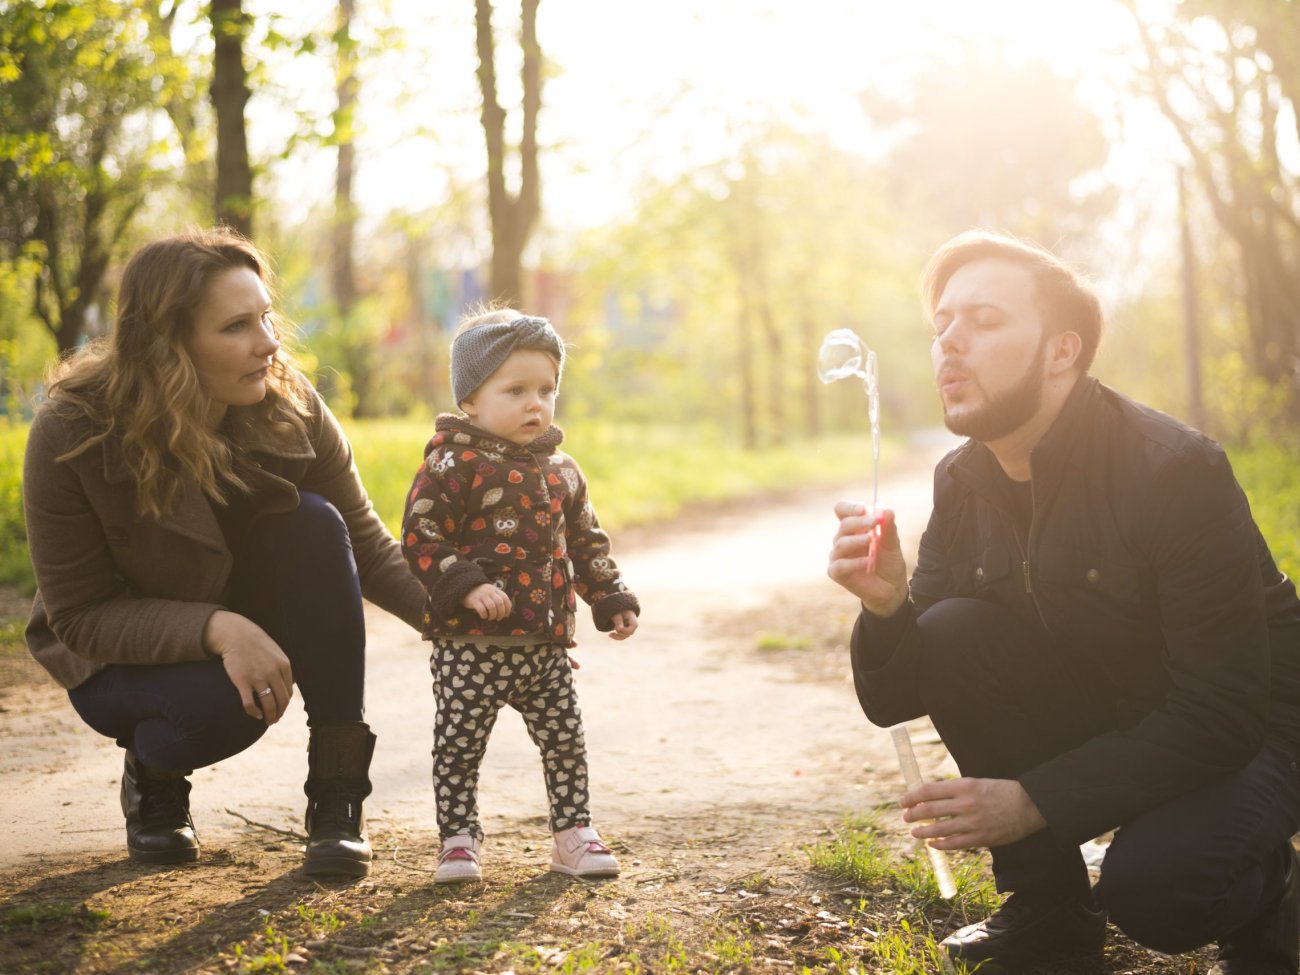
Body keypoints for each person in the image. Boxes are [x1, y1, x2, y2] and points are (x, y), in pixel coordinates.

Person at [827, 231, 1300, 971]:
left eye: (984, 322)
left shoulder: (1174, 470)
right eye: (942, 325)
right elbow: (908, 692)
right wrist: (886, 609)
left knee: (1157, 890)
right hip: (1120, 703)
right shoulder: (961, 479)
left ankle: (1275, 895)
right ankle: (1047, 910)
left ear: (1062, 352)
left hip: (1256, 724)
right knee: (948, 628)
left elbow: (1224, 711)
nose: (951, 343)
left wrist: (1035, 799)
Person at [23, 229, 427, 878]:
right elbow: (80, 617)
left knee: (315, 523)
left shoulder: (289, 403)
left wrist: (469, 621)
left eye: (266, 316)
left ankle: (337, 796)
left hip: (236, 613)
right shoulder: (73, 429)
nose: (269, 341)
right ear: (169, 345)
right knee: (219, 708)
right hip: (116, 660)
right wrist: (218, 628)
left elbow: (369, 549)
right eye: (237, 326)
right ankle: (153, 772)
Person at [401, 309, 640, 884]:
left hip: (544, 645)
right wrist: (469, 584)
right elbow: (420, 535)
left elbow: (587, 541)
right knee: (459, 743)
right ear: (472, 400)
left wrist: (609, 596)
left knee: (565, 741)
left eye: (546, 389)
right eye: (516, 390)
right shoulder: (453, 462)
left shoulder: (562, 470)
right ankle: (458, 840)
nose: (536, 403)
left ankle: (573, 833)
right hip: (470, 643)